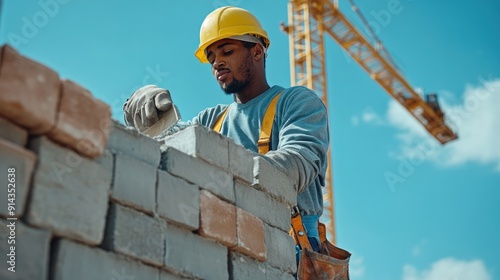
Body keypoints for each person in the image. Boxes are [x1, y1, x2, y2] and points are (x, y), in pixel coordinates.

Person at [123, 5, 329, 266]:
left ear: (257, 50)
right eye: (211, 58)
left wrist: (225, 168)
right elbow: (168, 152)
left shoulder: (296, 102)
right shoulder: (212, 120)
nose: (217, 62)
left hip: (291, 250)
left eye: (227, 51)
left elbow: (297, 165)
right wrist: (145, 112)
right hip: (226, 247)